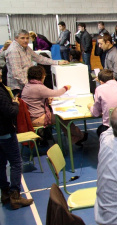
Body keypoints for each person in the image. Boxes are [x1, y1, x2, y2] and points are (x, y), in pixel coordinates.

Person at [21, 66, 87, 145]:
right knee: (62, 118)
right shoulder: (38, 87)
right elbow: (56, 93)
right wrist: (66, 87)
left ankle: (75, 138)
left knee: (60, 118)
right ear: (42, 76)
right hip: (36, 118)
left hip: (31, 116)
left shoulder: (28, 85)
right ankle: (79, 136)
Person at [0, 70, 34, 210]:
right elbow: (10, 112)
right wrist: (15, 104)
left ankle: (5, 193)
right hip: (5, 131)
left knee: (1, 163)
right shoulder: (1, 92)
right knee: (15, 162)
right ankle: (15, 196)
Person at [6, 29, 68, 96]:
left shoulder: (25, 47)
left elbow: (38, 58)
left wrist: (57, 62)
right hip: (19, 87)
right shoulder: (14, 50)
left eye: (27, 38)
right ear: (16, 38)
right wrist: (31, 86)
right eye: (22, 38)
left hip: (27, 85)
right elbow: (17, 73)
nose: (26, 40)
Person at [88, 69, 117, 137]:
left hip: (110, 127)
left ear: (101, 82)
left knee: (100, 130)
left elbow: (96, 113)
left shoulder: (99, 89)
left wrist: (90, 107)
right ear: (113, 78)